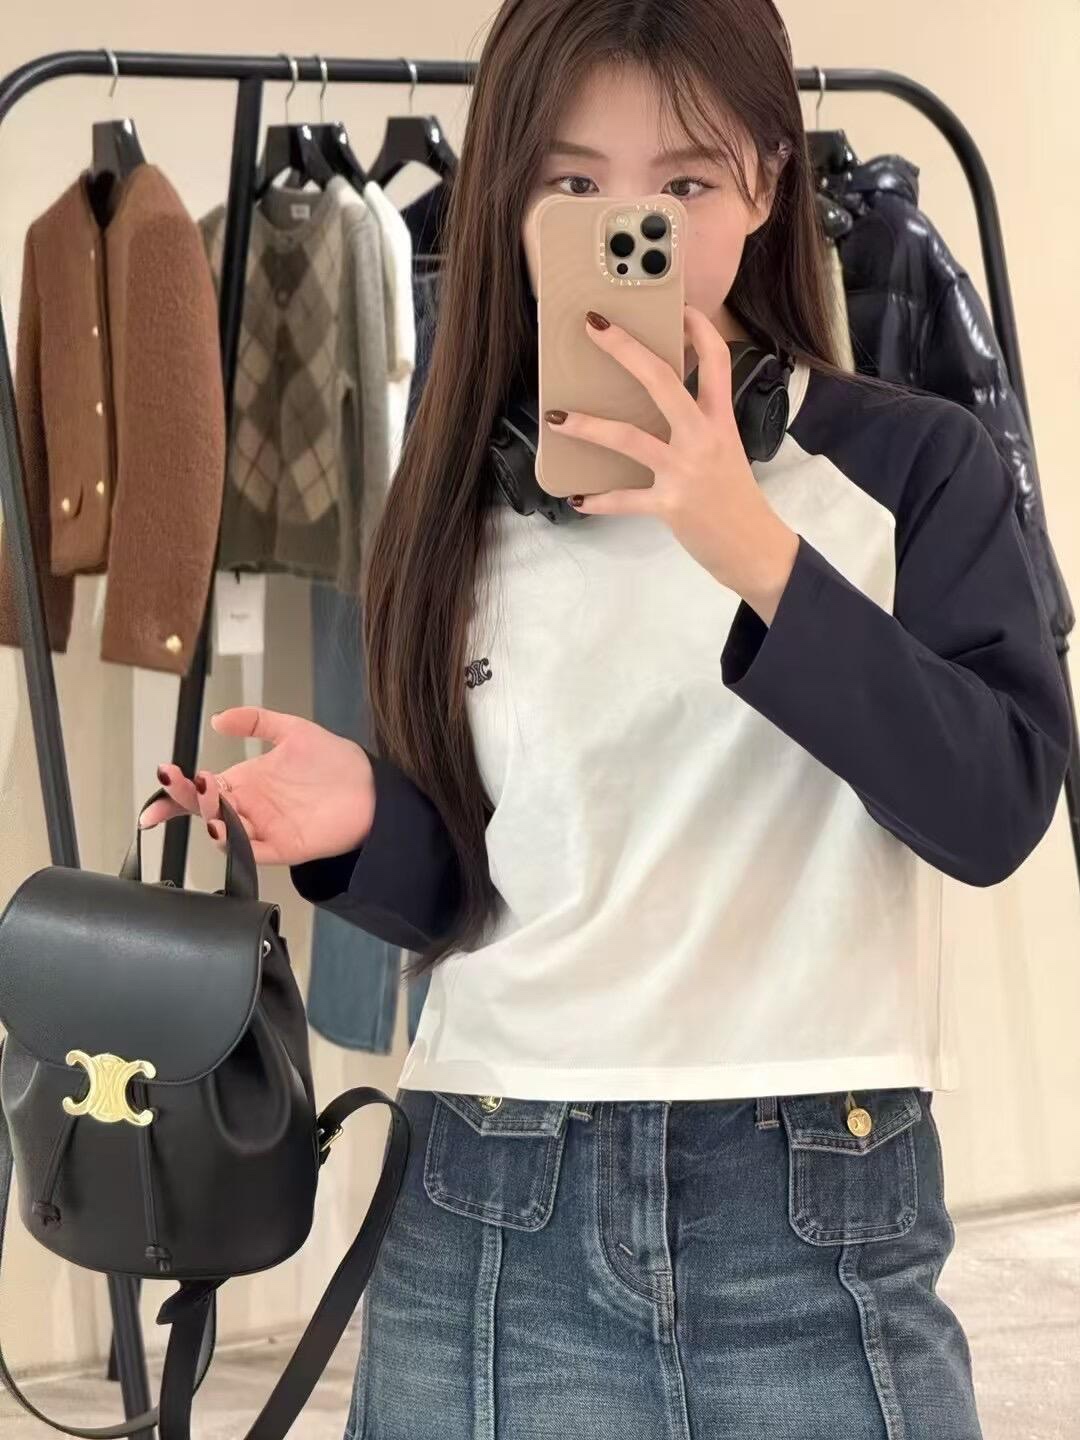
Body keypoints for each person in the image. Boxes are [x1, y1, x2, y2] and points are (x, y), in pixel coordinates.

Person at [141, 2, 1070, 1435]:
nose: (634, 225)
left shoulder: (912, 467)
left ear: (768, 182)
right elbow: (480, 885)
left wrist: (751, 546)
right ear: (512, 201)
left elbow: (993, 807)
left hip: (816, 1203)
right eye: (574, 183)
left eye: (686, 182)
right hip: (493, 1195)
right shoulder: (458, 495)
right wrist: (364, 819)